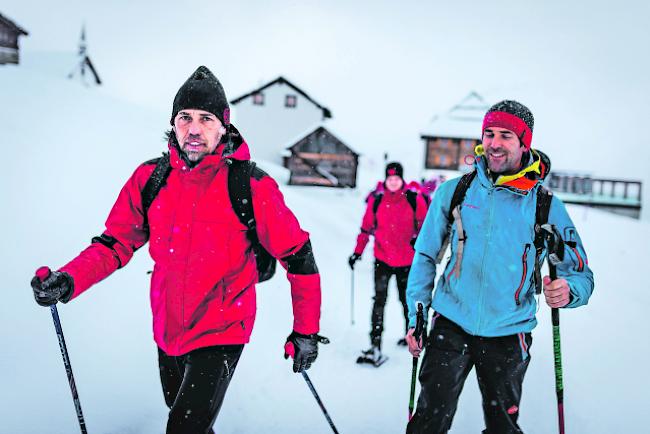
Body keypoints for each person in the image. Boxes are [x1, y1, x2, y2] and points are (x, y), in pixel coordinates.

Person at [30, 66, 325, 434]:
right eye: (185, 118)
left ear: (224, 126)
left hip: (223, 329)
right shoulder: (151, 179)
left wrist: (305, 332)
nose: (194, 128)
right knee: (187, 419)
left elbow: (299, 255)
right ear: (174, 124)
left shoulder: (250, 184)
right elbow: (116, 243)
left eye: (206, 118)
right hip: (167, 329)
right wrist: (69, 278)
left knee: (183, 429)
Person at [405, 100, 594, 433]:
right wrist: (417, 315)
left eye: (506, 135)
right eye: (489, 133)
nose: (494, 143)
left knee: (502, 425)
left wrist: (569, 290)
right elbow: (424, 255)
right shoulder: (456, 192)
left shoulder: (544, 205)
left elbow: (579, 273)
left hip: (509, 334)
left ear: (524, 143)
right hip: (451, 323)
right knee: (429, 421)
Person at [349, 162, 428, 366]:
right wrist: (357, 252)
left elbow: (426, 226)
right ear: (385, 180)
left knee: (406, 300)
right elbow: (366, 229)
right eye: (390, 179)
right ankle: (375, 344)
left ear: (401, 180)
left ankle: (409, 335)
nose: (393, 182)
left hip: (406, 261)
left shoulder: (413, 199)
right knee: (379, 301)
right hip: (382, 260)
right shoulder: (377, 200)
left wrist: (417, 240)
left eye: (396, 179)